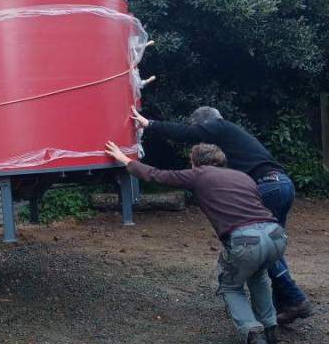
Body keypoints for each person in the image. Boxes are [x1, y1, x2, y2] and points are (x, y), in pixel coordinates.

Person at [105, 139, 288, 344]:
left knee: (231, 286)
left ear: (195, 163)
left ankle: (254, 337)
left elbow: (156, 175)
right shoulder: (243, 176)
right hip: (275, 235)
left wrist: (125, 160)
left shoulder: (200, 175)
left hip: (245, 240)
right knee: (258, 276)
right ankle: (271, 330)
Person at [131, 105, 312, 324]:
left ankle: (294, 299)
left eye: (200, 132)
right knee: (270, 245)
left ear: (206, 124)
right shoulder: (232, 141)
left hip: (267, 186)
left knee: (262, 244)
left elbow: (187, 135)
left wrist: (150, 124)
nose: (201, 141)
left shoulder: (219, 126)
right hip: (281, 184)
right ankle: (283, 302)